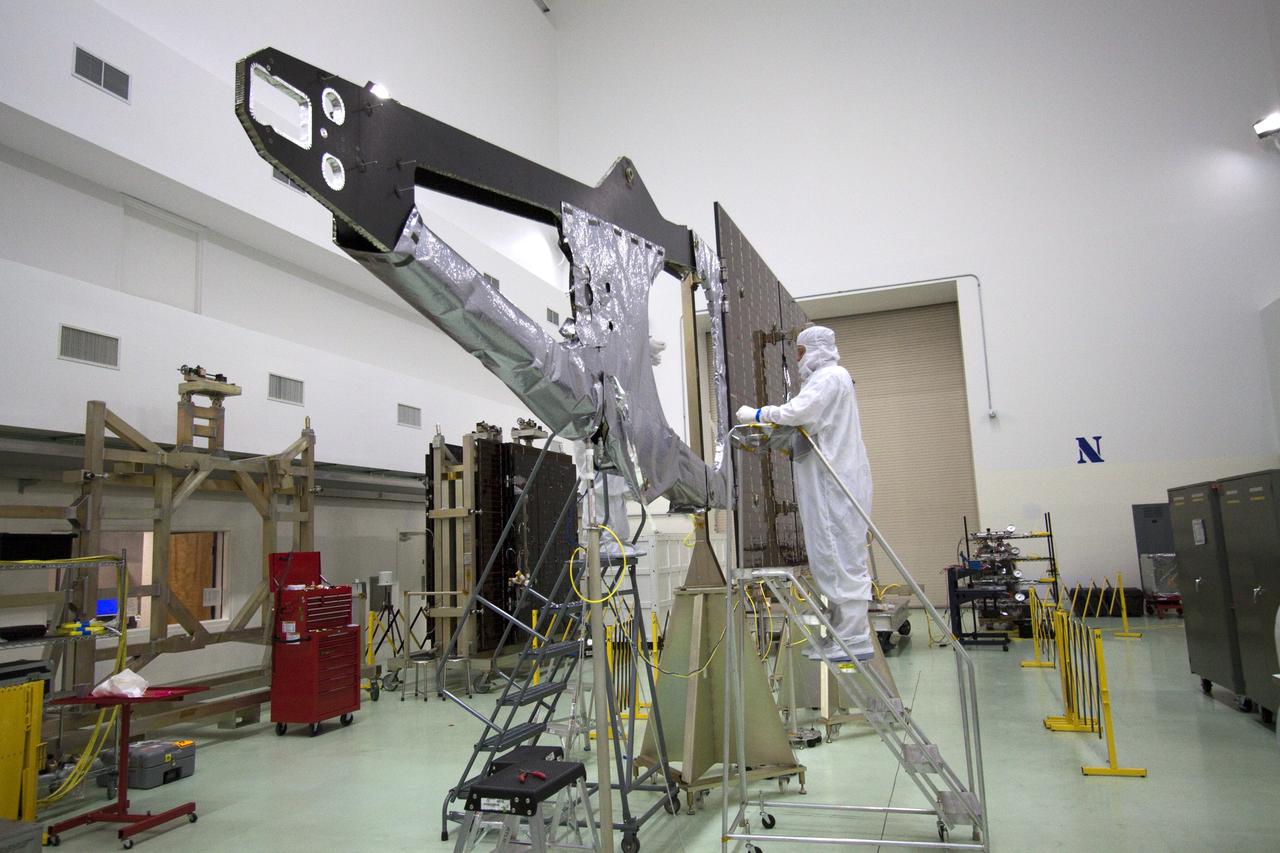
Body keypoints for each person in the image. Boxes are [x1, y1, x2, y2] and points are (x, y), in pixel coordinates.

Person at [735, 325, 875, 660]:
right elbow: (805, 425)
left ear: (814, 349)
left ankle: (855, 638)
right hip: (828, 482)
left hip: (835, 485)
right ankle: (844, 635)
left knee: (841, 558)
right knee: (832, 557)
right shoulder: (828, 381)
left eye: (799, 352)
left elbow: (798, 412)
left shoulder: (831, 377)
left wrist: (756, 414)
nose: (797, 359)